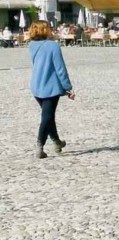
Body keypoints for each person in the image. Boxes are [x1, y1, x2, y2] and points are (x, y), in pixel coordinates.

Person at [28, 20, 75, 160]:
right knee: (47, 117)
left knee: (48, 116)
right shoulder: (53, 46)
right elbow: (60, 69)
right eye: (49, 27)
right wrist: (68, 87)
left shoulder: (31, 45)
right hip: (50, 87)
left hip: (36, 85)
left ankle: (57, 142)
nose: (51, 29)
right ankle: (39, 146)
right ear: (44, 30)